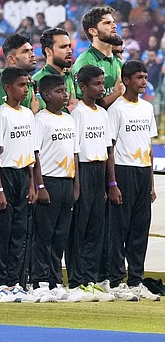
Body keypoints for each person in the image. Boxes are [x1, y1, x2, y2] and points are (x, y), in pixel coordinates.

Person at [105, 60, 160, 301]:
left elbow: (148, 148)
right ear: (126, 80)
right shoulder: (117, 109)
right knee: (120, 229)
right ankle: (116, 281)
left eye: (146, 77)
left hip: (142, 171)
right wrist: (113, 183)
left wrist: (151, 183)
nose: (144, 82)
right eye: (139, 77)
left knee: (140, 229)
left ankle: (136, 280)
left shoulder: (147, 109)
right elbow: (111, 148)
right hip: (123, 171)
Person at [67, 65, 118, 302]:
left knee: (97, 228)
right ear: (83, 86)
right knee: (81, 227)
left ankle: (91, 277)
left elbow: (109, 149)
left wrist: (111, 182)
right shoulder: (78, 113)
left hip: (100, 171)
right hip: (84, 169)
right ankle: (77, 280)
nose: (100, 88)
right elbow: (75, 151)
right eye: (96, 84)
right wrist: (77, 183)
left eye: (102, 83)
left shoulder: (103, 113)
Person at [0, 67, 37, 302]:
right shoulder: (1, 115)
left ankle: (15, 281)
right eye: (21, 85)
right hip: (5, 175)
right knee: (2, 231)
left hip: (23, 175)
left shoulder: (28, 114)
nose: (26, 89)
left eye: (27, 85)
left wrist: (31, 184)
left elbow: (29, 151)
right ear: (8, 88)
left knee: (20, 231)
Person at [30, 74, 80, 302]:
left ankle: (55, 281)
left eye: (65, 90)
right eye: (60, 91)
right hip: (48, 182)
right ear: (46, 95)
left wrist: (76, 184)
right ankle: (38, 281)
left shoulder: (70, 120)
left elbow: (75, 154)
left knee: (60, 235)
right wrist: (39, 185)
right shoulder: (40, 120)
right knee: (44, 234)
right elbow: (35, 155)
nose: (65, 94)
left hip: (66, 182)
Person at [71, 7, 123, 109]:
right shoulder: (85, 62)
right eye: (107, 23)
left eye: (113, 22)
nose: (114, 26)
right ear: (93, 31)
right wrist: (118, 93)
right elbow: (83, 105)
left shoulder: (118, 62)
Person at [0, 34, 39, 114]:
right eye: (25, 52)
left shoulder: (32, 83)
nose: (32, 55)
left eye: (32, 50)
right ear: (12, 59)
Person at [33, 28, 77, 112]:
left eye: (69, 46)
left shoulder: (70, 76)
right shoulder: (38, 80)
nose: (69, 51)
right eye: (63, 47)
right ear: (48, 51)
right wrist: (69, 110)